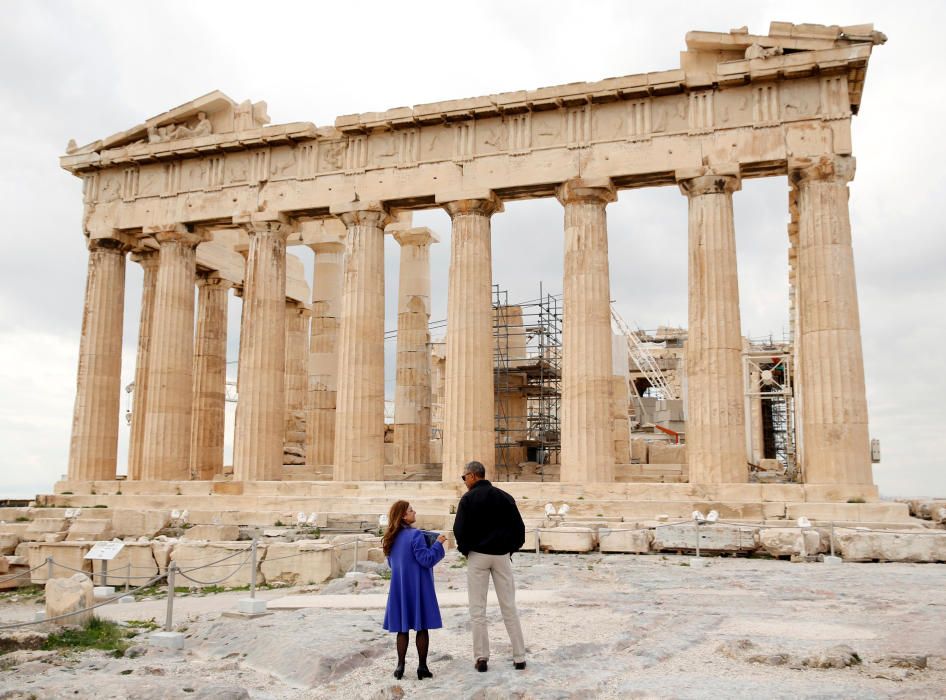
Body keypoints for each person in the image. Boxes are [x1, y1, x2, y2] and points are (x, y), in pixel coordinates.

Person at [453, 460, 527, 672]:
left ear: (474, 476)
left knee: (478, 610)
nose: (464, 481)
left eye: (464, 477)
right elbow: (519, 529)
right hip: (501, 556)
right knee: (509, 606)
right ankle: (519, 656)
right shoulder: (505, 497)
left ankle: (482, 658)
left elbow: (459, 530)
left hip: (478, 556)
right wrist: (510, 549)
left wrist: (466, 550)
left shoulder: (467, 499)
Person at [382, 500, 447, 680]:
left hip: (400, 586)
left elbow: (391, 562)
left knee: (402, 629)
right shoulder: (416, 535)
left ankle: (400, 666)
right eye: (411, 510)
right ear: (403, 515)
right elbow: (426, 560)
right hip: (419, 585)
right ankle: (422, 667)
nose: (414, 512)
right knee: (421, 627)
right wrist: (438, 543)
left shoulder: (391, 537)